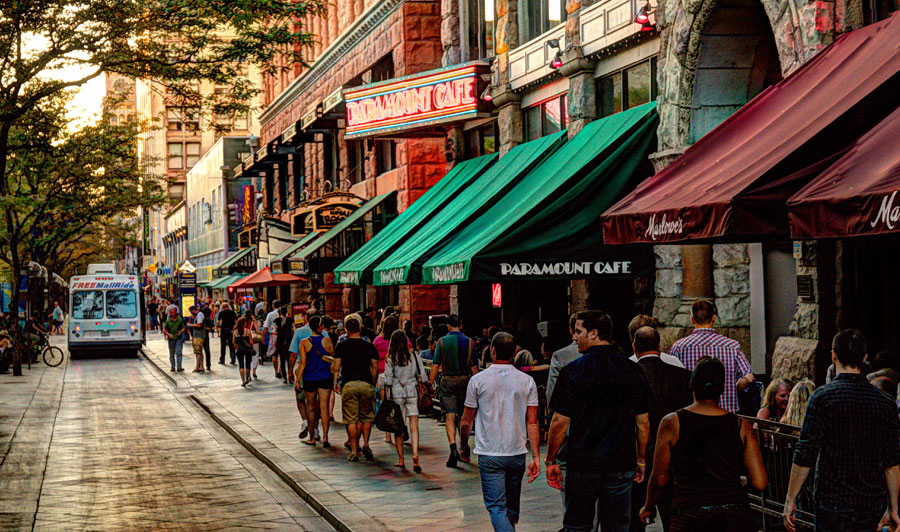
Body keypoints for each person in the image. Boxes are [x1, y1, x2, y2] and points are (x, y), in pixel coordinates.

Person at [783, 329, 900, 532]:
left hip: (831, 501)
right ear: (864, 358)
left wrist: (790, 499)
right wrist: (893, 507)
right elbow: (892, 462)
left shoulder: (821, 398)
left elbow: (805, 453)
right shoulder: (885, 403)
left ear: (833, 355)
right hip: (870, 502)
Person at [545, 310, 651, 532]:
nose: (574, 337)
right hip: (621, 462)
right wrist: (641, 459)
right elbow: (642, 423)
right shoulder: (632, 370)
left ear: (593, 333)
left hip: (583, 462)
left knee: (578, 525)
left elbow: (559, 422)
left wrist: (551, 460)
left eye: (578, 332)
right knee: (617, 526)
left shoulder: (572, 371)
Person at [640, 356, 767, 531]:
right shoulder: (741, 425)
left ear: (691, 384)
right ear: (722, 388)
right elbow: (760, 482)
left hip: (690, 513)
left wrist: (648, 506)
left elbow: (660, 479)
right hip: (734, 514)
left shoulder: (672, 423)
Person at [460, 331, 541, 532]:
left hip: (490, 452)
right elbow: (532, 422)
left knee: (496, 507)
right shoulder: (527, 381)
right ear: (514, 353)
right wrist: (536, 456)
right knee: (511, 509)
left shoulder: (478, 381)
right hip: (516, 452)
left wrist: (463, 445)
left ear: (492, 351)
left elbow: (466, 420)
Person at [631, 326, 693, 532]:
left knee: (634, 518)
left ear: (634, 347)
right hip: (676, 458)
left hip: (637, 458)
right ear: (659, 346)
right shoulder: (683, 376)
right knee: (673, 518)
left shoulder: (628, 375)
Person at [668, 300, 754, 413]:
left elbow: (671, 380)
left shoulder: (680, 347)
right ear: (713, 318)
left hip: (692, 414)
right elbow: (749, 378)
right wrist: (734, 388)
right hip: (725, 413)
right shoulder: (732, 346)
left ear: (692, 320)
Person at [428, 314, 478, 468]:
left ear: (449, 326)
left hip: (447, 380)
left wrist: (430, 384)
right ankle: (464, 447)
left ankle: (453, 447)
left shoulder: (442, 342)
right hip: (465, 381)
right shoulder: (470, 343)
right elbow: (474, 368)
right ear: (460, 325)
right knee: (464, 417)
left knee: (449, 416)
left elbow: (436, 365)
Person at [332, 316, 378, 462]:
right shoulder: (369, 346)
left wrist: (335, 382)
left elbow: (336, 367)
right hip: (366, 383)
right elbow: (375, 367)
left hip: (349, 384)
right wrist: (373, 382)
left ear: (346, 330)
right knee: (366, 417)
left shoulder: (341, 346)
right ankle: (366, 443)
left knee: (351, 419)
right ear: (360, 329)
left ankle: (353, 450)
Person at [384, 329, 427, 471]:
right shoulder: (414, 355)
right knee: (414, 425)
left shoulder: (391, 358)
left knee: (398, 426)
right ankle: (415, 455)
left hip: (397, 392)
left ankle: (401, 459)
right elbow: (423, 376)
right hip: (412, 391)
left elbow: (388, 380)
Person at [294, 316, 334, 448]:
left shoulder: (305, 343)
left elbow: (303, 363)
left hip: (310, 378)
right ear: (320, 327)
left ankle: (311, 437)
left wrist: (297, 379)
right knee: (324, 407)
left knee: (310, 408)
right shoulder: (327, 341)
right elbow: (332, 360)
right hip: (325, 377)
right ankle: (326, 437)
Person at [289, 316, 312, 439]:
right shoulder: (324, 333)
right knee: (316, 400)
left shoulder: (299, 332)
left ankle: (305, 421)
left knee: (300, 397)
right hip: (319, 370)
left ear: (305, 319)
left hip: (304, 370)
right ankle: (316, 430)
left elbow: (293, 354)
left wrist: (290, 372)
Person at [234, 310, 257, 387]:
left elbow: (233, 342)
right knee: (247, 364)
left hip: (239, 349)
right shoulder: (247, 331)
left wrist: (236, 346)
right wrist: (252, 348)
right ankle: (247, 378)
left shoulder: (235, 332)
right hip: (247, 349)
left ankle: (243, 380)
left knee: (241, 365)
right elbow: (251, 341)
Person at [162, 306, 186, 372]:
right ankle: (172, 367)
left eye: (174, 312)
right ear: (170, 313)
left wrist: (180, 332)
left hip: (178, 338)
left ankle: (179, 367)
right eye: (172, 313)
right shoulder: (168, 321)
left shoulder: (179, 320)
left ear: (176, 313)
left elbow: (183, 328)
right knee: (172, 353)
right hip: (171, 339)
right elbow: (165, 330)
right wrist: (169, 334)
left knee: (179, 352)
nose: (173, 314)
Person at [263, 299, 281, 377]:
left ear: (273, 306)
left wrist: (262, 336)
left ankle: (276, 371)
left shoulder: (270, 314)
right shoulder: (283, 313)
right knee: (280, 354)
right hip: (282, 335)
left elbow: (266, 327)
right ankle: (279, 370)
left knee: (274, 354)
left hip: (273, 335)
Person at [187, 306, 208, 373]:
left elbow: (199, 325)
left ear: (193, 310)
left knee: (198, 352)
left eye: (191, 312)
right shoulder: (199, 315)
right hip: (198, 335)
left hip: (199, 335)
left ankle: (197, 367)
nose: (191, 313)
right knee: (199, 352)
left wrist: (190, 325)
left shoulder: (199, 315)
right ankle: (201, 366)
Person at [276, 306, 293, 383]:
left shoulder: (277, 320)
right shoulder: (290, 320)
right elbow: (293, 329)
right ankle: (290, 375)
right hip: (289, 341)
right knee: (289, 360)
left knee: (282, 360)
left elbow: (275, 330)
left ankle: (285, 377)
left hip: (280, 342)